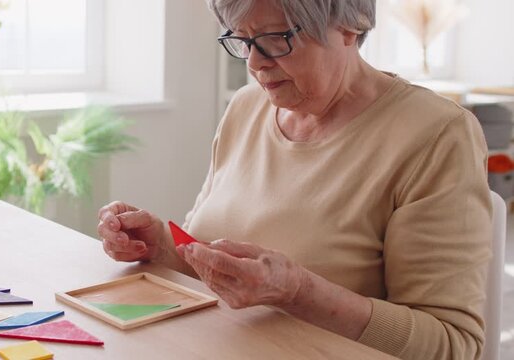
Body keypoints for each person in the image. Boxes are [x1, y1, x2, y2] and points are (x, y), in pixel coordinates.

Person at [97, 0, 492, 359]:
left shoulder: (436, 135)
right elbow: (222, 269)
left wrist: (299, 293)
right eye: (242, 39)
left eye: (273, 38)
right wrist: (162, 247)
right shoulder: (246, 106)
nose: (253, 62)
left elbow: (452, 345)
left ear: (349, 26)